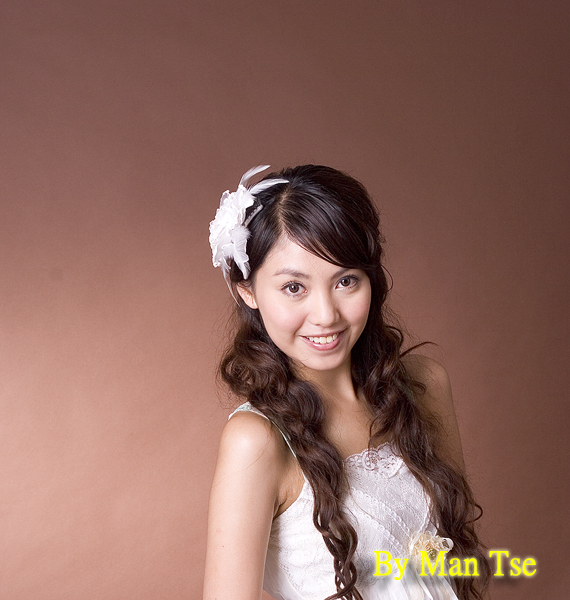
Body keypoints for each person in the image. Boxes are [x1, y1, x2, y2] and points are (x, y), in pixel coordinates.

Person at [202, 165, 490, 600]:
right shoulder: (257, 440)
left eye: (346, 280)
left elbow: (451, 563)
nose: (326, 315)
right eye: (294, 287)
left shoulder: (424, 386)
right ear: (248, 291)